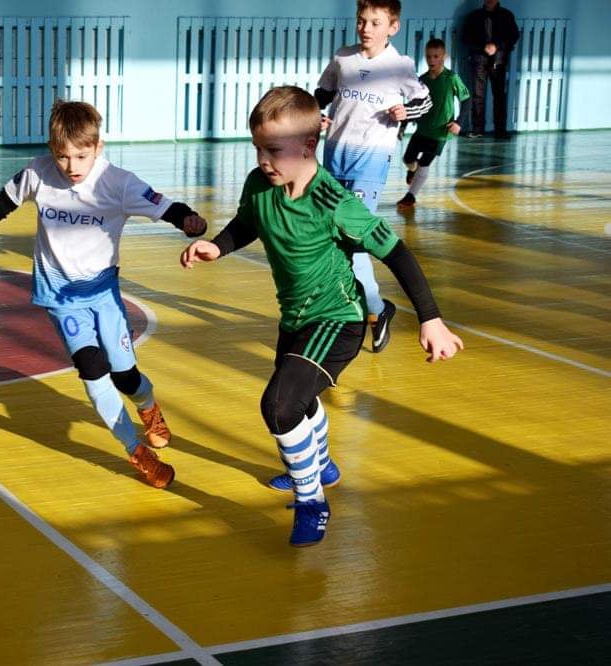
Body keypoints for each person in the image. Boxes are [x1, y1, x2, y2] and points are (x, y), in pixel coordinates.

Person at [180, 86, 463, 546]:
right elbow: (249, 222)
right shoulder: (260, 185)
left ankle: (311, 500)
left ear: (309, 145)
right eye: (257, 148)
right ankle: (323, 465)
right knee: (301, 401)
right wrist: (219, 245)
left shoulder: (334, 203)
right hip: (295, 318)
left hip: (338, 319)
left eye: (274, 150)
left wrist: (430, 319)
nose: (263, 160)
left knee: (279, 405)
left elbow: (396, 252)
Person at [0, 100, 207, 489]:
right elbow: (6, 200)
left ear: (98, 147)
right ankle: (136, 451)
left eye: (81, 156)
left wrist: (188, 221)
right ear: (51, 150)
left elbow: (166, 206)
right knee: (91, 370)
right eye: (62, 156)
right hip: (60, 298)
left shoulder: (118, 183)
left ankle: (148, 406)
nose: (71, 166)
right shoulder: (38, 172)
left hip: (103, 295)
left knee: (125, 375)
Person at [315, 0, 432, 354]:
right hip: (334, 156)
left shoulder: (399, 65)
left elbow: (425, 102)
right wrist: (315, 115)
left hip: (371, 162)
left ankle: (368, 310)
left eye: (375, 22)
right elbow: (322, 93)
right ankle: (376, 309)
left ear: (393, 27)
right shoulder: (343, 58)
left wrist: (405, 111)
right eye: (361, 21)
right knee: (330, 237)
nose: (366, 28)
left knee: (353, 237)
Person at [396, 38, 472, 209]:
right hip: (422, 129)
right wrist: (403, 125)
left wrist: (459, 122)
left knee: (425, 162)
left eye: (436, 56)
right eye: (429, 56)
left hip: (440, 132)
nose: (432, 60)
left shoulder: (451, 78)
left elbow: (466, 100)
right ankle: (412, 170)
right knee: (408, 159)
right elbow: (413, 105)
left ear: (444, 57)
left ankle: (410, 196)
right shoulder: (422, 80)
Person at [462, 0, 520, 138]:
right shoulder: (474, 16)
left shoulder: (506, 15)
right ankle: (477, 129)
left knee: (499, 95)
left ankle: (500, 130)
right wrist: (483, 47)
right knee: (478, 94)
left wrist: (496, 46)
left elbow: (513, 36)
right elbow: (466, 38)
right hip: (478, 59)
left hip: (498, 60)